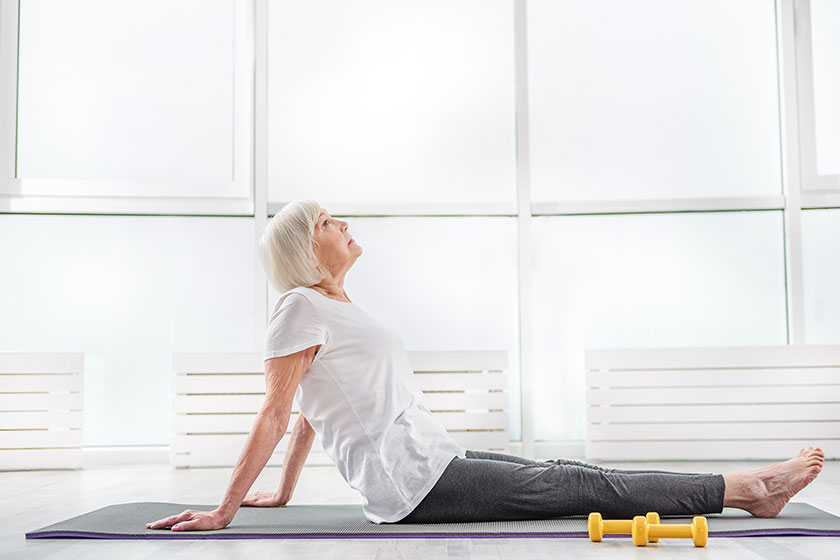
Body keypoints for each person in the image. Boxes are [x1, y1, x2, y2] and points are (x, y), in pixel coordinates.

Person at [147, 199, 825, 532]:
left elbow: (307, 414)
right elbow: (275, 411)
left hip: (432, 458)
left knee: (575, 474)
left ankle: (748, 490)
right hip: (414, 484)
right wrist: (225, 509)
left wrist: (287, 493)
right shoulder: (298, 306)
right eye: (327, 218)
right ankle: (749, 487)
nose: (342, 220)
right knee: (584, 489)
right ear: (305, 245)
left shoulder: (336, 308)